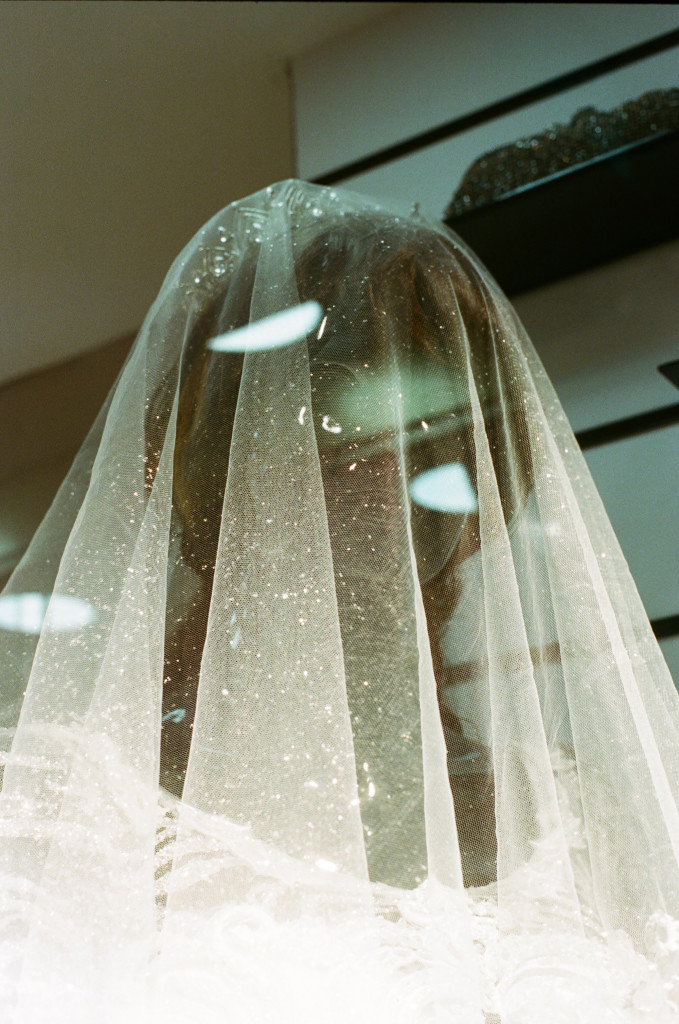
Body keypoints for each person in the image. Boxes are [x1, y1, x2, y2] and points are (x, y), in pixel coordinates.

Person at [1, 180, 678, 1022]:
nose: (385, 477)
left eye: (432, 434)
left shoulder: (574, 812)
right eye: (338, 432)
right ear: (231, 467)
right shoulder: (58, 807)